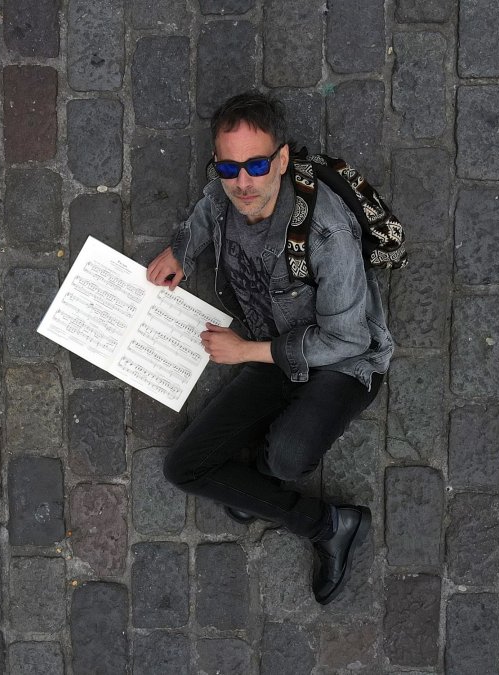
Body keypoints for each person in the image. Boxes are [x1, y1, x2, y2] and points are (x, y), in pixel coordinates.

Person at [145, 92, 394, 605]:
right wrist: (182, 249)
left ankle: (262, 482)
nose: (243, 182)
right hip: (266, 345)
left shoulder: (324, 235)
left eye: (257, 165)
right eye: (229, 166)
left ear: (281, 160)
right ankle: (330, 524)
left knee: (286, 458)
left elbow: (350, 339)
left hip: (341, 363)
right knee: (182, 467)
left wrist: (245, 353)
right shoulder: (227, 191)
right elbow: (208, 206)